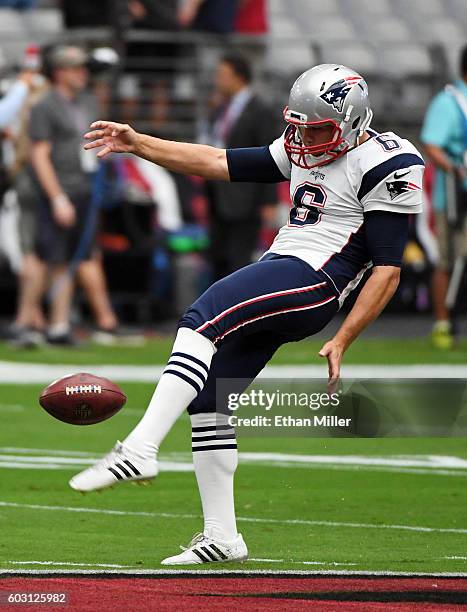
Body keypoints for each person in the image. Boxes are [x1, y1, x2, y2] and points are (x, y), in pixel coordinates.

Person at [69, 64, 424, 564]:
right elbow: (216, 161)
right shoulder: (303, 140)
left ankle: (139, 449)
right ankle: (223, 536)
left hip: (314, 281)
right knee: (210, 397)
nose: (304, 136)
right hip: (285, 271)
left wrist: (344, 338)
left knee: (203, 313)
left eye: (317, 127)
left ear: (352, 120)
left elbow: (388, 269)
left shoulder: (386, 161)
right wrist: (137, 142)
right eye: (298, 124)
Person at [29, 45, 118, 344]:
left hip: (86, 188)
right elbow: (39, 155)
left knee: (79, 255)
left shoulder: (87, 101)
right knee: (55, 257)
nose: (83, 74)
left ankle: (64, 322)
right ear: (60, 72)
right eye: (76, 69)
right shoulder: (44, 106)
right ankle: (47, 321)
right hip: (61, 190)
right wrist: (56, 197)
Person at [201, 54, 278, 280]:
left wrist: (269, 200)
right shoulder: (219, 108)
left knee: (239, 260)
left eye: (222, 76)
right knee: (217, 257)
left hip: (246, 196)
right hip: (218, 193)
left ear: (239, 78)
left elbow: (270, 155)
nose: (218, 81)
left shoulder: (259, 110)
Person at [421, 45, 467, 349]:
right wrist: (455, 168)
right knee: (447, 259)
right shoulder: (450, 101)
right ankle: (442, 322)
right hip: (453, 196)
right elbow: (432, 144)